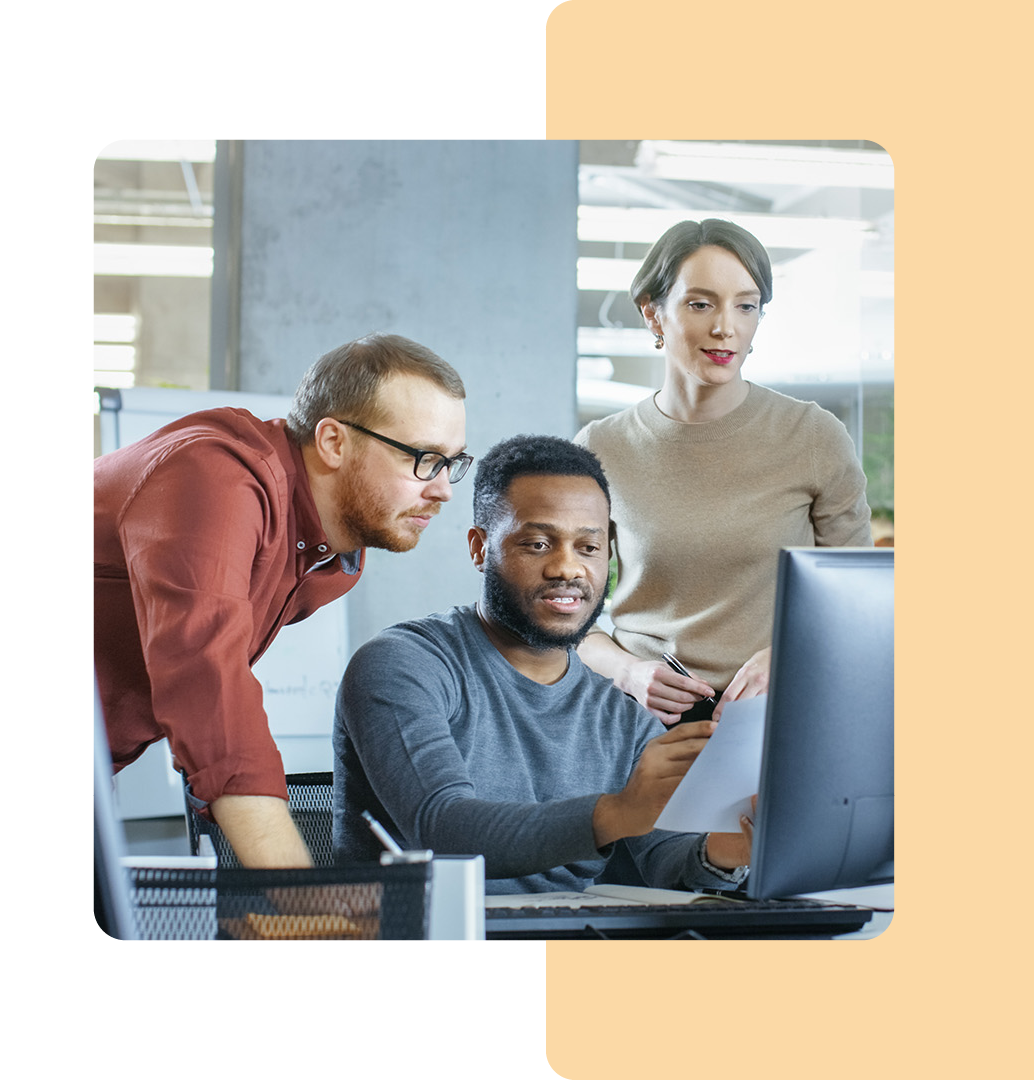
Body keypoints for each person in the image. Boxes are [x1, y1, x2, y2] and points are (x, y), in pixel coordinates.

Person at [94, 332, 472, 868]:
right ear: (334, 442)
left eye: (452, 462)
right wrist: (300, 900)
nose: (443, 489)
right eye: (423, 458)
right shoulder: (215, 477)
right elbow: (207, 682)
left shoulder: (329, 561)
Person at [333, 434, 753, 894]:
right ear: (479, 548)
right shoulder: (403, 666)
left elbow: (665, 864)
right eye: (536, 544)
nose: (567, 569)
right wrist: (617, 812)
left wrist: (731, 846)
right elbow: (442, 828)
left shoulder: (624, 719)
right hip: (426, 946)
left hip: (569, 949)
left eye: (588, 548)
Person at [575, 218, 872, 726]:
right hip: (638, 721)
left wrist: (787, 657)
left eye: (746, 305)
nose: (725, 327)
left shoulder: (814, 436)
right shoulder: (599, 448)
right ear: (653, 312)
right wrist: (628, 672)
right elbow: (567, 616)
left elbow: (860, 599)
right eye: (700, 303)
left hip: (777, 716)